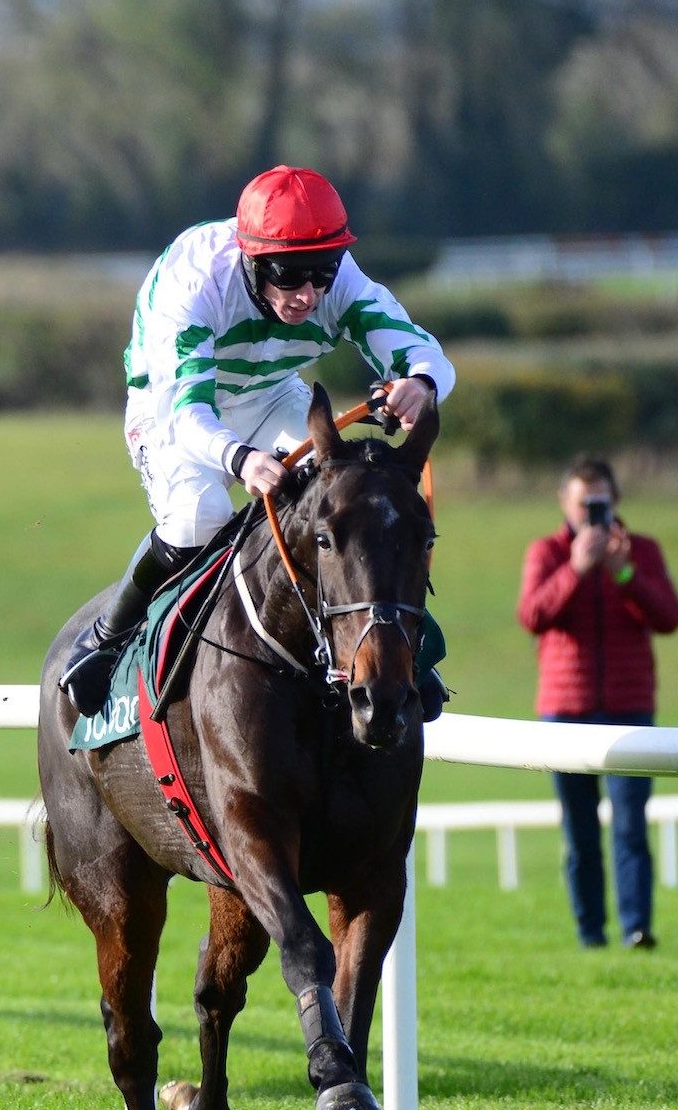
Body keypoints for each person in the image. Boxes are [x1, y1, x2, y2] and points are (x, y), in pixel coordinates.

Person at [59, 165, 455, 719]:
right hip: (173, 405)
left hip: (269, 394)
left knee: (352, 496)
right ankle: (106, 637)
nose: (307, 296)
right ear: (251, 259)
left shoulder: (340, 280)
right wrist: (241, 459)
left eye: (320, 275)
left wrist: (420, 382)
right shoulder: (198, 284)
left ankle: (405, 651)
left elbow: (423, 350)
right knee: (201, 516)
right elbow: (187, 412)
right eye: (288, 276)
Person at [518, 458, 678, 949]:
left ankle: (636, 927)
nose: (592, 511)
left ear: (616, 501)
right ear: (565, 503)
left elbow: (668, 617)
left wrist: (622, 571)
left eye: (601, 501)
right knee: (581, 831)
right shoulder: (547, 552)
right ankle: (591, 933)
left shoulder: (640, 550)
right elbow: (533, 615)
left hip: (630, 706)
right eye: (584, 501)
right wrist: (577, 569)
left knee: (631, 825)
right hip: (566, 707)